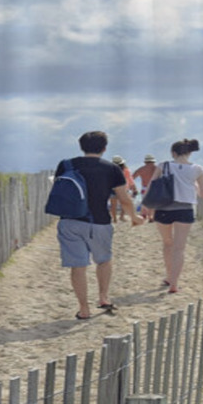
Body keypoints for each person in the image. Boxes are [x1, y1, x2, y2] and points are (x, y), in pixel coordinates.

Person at [54, 131, 144, 320]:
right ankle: (103, 297)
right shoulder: (111, 169)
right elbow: (124, 199)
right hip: (99, 222)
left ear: (81, 147)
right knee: (103, 260)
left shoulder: (66, 165)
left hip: (70, 221)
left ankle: (84, 309)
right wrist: (134, 217)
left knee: (78, 266)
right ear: (104, 148)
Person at [146, 139, 203, 293]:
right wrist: (193, 186)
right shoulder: (197, 169)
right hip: (185, 209)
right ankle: (174, 284)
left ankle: (168, 276)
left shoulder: (163, 165)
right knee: (179, 248)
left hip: (164, 208)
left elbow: (151, 186)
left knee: (168, 243)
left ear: (173, 153)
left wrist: (146, 206)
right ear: (189, 153)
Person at [109, 155, 137, 222]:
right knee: (125, 204)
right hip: (123, 189)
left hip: (113, 189)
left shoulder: (110, 170)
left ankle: (115, 219)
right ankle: (121, 217)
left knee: (113, 205)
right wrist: (134, 189)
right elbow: (130, 180)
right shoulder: (126, 170)